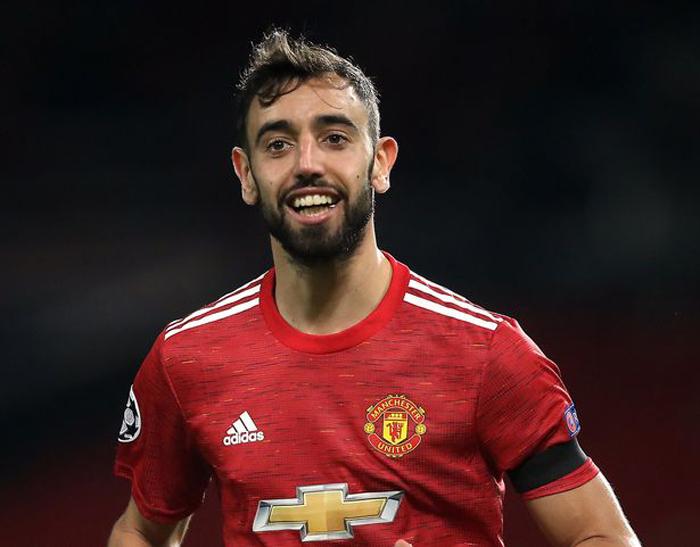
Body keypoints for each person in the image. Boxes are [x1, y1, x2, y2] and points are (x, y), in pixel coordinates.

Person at [108, 29, 640, 546]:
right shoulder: (187, 359)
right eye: (278, 145)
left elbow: (602, 536)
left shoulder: (486, 354)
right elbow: (140, 532)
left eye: (335, 138)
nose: (307, 165)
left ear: (380, 163)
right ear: (246, 175)